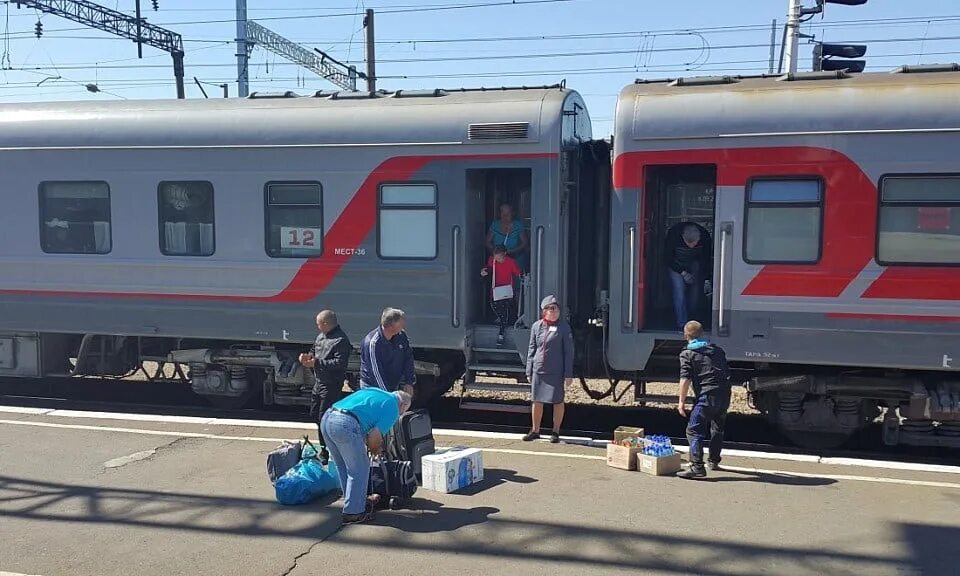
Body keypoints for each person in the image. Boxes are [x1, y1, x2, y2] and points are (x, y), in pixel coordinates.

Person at [321, 388, 412, 524]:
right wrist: (375, 449)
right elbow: (374, 436)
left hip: (328, 418)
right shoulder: (393, 408)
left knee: (344, 465)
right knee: (360, 468)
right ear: (403, 405)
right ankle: (354, 513)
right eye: (403, 411)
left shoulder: (377, 392)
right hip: (344, 424)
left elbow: (364, 425)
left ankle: (353, 501)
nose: (400, 414)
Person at [676, 320, 731, 480]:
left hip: (706, 396)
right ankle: (713, 460)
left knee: (693, 430)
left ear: (686, 335)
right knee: (717, 428)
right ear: (702, 334)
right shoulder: (718, 350)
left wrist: (681, 402)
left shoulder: (687, 354)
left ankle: (697, 467)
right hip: (724, 395)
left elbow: (684, 379)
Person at [299, 310, 352, 464]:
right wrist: (307, 357)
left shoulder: (341, 340)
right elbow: (313, 351)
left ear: (326, 323)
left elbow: (339, 364)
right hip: (319, 382)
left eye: (318, 324)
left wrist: (317, 362)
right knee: (315, 414)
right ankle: (325, 447)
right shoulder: (321, 336)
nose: (317, 327)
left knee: (325, 418)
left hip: (331, 385)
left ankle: (327, 451)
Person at [524, 295, 574, 444]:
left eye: (556, 308)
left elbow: (568, 352)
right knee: (537, 400)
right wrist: (529, 370)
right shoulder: (536, 326)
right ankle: (535, 430)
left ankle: (555, 431)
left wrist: (568, 374)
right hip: (538, 369)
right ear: (543, 311)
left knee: (557, 401)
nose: (553, 312)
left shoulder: (564, 328)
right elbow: (531, 349)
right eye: (550, 309)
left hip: (556, 371)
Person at [664, 222, 712, 332]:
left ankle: (694, 320)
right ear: (682, 236)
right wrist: (683, 273)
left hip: (695, 263)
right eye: (688, 243)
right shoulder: (673, 235)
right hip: (675, 263)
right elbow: (667, 258)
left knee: (696, 289)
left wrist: (704, 277)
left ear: (699, 237)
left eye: (694, 243)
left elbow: (706, 259)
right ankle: (682, 324)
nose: (691, 246)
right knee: (679, 291)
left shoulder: (705, 237)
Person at [359, 307, 416, 396]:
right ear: (392, 325)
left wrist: (409, 382)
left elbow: (408, 358)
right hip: (373, 388)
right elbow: (375, 372)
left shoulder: (401, 336)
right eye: (401, 322)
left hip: (392, 384)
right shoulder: (373, 343)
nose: (404, 324)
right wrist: (387, 395)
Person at [481, 244, 523, 346]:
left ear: (504, 254)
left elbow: (518, 273)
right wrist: (484, 271)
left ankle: (501, 334)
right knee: (495, 306)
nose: (497, 259)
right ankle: (501, 321)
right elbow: (488, 268)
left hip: (506, 291)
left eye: (499, 257)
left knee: (504, 314)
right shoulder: (492, 260)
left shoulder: (511, 262)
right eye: (496, 257)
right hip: (496, 290)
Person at [486, 203, 529, 271]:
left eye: (508, 213)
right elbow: (487, 242)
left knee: (517, 278)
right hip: (499, 260)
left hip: (516, 259)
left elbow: (525, 243)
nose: (505, 216)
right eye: (502, 213)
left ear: (513, 213)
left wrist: (513, 251)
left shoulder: (518, 225)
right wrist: (497, 251)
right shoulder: (495, 225)